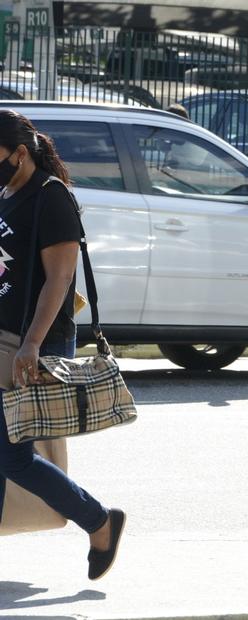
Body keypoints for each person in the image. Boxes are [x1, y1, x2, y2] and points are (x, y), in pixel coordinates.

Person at [0, 110, 125, 580]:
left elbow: (60, 279)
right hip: (3, 337)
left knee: (11, 455)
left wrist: (31, 345)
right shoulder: (6, 192)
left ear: (19, 152)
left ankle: (99, 522)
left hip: (32, 342)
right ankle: (98, 522)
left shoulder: (52, 198)